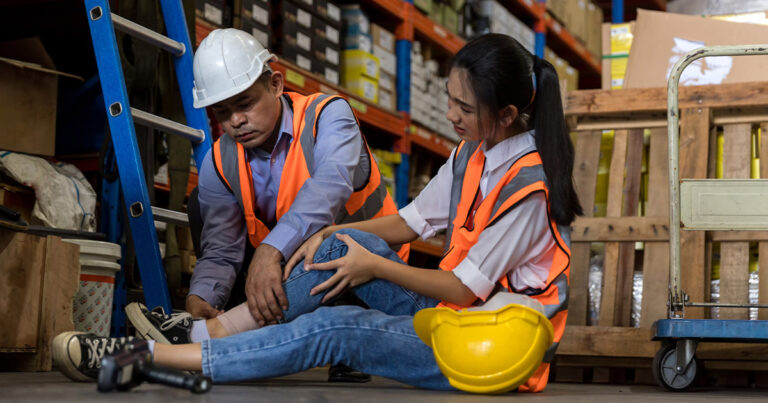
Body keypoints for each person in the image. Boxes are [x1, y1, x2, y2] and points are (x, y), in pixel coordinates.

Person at [53, 33, 581, 393]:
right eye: (449, 99)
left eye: (464, 108)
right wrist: (332, 237)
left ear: (507, 114)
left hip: (495, 347)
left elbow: (463, 289)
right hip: (458, 319)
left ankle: (141, 357)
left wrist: (369, 266)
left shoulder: (528, 188)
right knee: (333, 246)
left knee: (336, 328)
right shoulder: (475, 153)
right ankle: (192, 334)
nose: (450, 115)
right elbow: (410, 222)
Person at [172, 28, 407, 326]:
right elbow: (221, 249)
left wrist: (271, 250)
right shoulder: (218, 161)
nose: (236, 121)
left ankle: (339, 330)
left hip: (372, 264)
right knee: (198, 203)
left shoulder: (327, 115)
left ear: (276, 84)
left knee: (327, 240)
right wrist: (201, 296)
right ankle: (228, 326)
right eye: (222, 112)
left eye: (245, 104)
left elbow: (328, 187)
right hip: (293, 268)